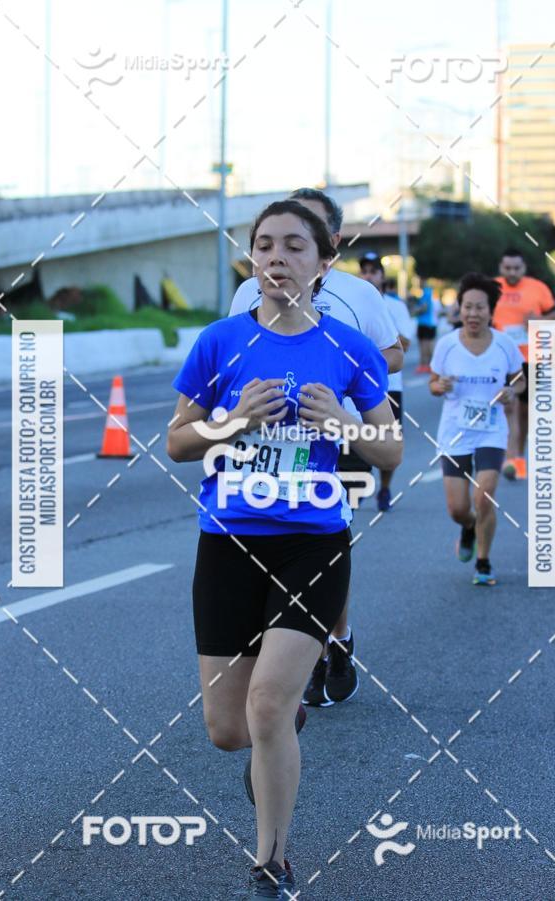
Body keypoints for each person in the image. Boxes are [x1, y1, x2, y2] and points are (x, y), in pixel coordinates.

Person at [167, 200, 401, 898]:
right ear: (252, 261)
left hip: (314, 546)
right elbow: (178, 441)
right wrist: (231, 424)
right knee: (226, 729)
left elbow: (393, 450)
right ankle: (287, 722)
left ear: (324, 263)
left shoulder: (349, 350)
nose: (276, 257)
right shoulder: (219, 342)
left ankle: (272, 862)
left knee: (265, 705)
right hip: (229, 544)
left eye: (295, 246)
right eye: (264, 245)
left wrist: (346, 423)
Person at [229, 188, 404, 709]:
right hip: (267, 428)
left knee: (325, 530)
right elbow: (236, 345)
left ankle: (331, 638)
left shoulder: (359, 295)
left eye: (305, 233)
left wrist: (340, 365)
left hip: (338, 422)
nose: (284, 249)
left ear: (330, 244)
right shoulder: (247, 292)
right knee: (265, 534)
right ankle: (292, 653)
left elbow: (392, 354)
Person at [429, 272, 525, 586]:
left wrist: (513, 391)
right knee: (458, 508)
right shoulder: (446, 345)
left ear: (491, 310)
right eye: (467, 307)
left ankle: (483, 562)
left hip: (490, 430)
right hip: (454, 431)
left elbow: (519, 380)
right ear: (459, 309)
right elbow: (433, 383)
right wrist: (439, 385)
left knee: (484, 497)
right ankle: (468, 527)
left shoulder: (505, 345)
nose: (473, 314)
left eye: (480, 308)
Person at [492, 248, 555, 480]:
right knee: (508, 407)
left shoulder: (538, 288)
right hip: (501, 359)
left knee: (525, 413)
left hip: (532, 358)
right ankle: (508, 457)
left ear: (524, 268)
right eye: (507, 267)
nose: (512, 272)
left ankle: (518, 456)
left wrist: (538, 321)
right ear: (501, 267)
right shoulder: (492, 287)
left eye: (516, 268)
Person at [359, 254, 412, 510]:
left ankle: (386, 486)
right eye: (364, 271)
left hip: (391, 384)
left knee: (388, 439)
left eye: (373, 271)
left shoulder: (395, 306)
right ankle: (356, 481)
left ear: (382, 276)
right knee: (361, 438)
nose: (368, 275)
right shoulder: (355, 302)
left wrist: (382, 328)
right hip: (359, 385)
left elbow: (405, 344)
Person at [410, 277, 437, 373]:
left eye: (420, 281)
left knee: (426, 346)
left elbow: (424, 307)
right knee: (423, 345)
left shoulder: (427, 292)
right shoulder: (424, 293)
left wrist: (414, 311)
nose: (419, 283)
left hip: (427, 324)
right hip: (423, 323)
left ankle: (427, 365)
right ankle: (425, 365)